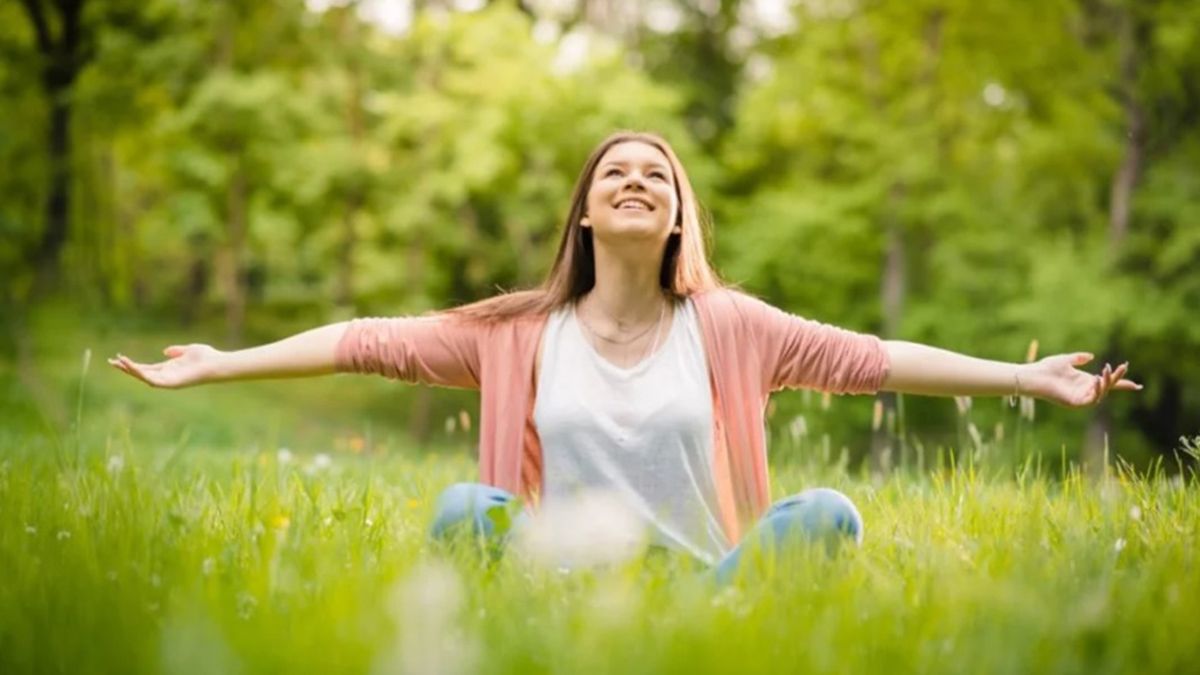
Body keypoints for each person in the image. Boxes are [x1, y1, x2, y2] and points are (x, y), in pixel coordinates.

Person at [110, 131, 1140, 582]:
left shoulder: (732, 325)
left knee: (830, 516)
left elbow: (873, 358)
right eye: (617, 172)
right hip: (565, 581)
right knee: (467, 513)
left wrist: (1024, 376)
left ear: (681, 212)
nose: (638, 180)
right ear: (589, 213)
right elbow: (361, 343)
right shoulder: (519, 334)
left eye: (659, 173)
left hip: (709, 581)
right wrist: (218, 362)